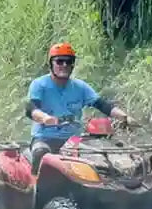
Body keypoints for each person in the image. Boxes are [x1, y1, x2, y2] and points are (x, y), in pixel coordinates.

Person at [25, 42, 131, 174]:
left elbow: (102, 104)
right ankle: (37, 190)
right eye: (60, 61)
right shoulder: (39, 84)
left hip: (73, 141)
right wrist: (45, 118)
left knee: (101, 160)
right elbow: (31, 108)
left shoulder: (80, 87)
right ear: (51, 64)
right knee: (40, 153)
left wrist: (124, 116)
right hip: (45, 138)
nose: (64, 65)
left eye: (69, 62)